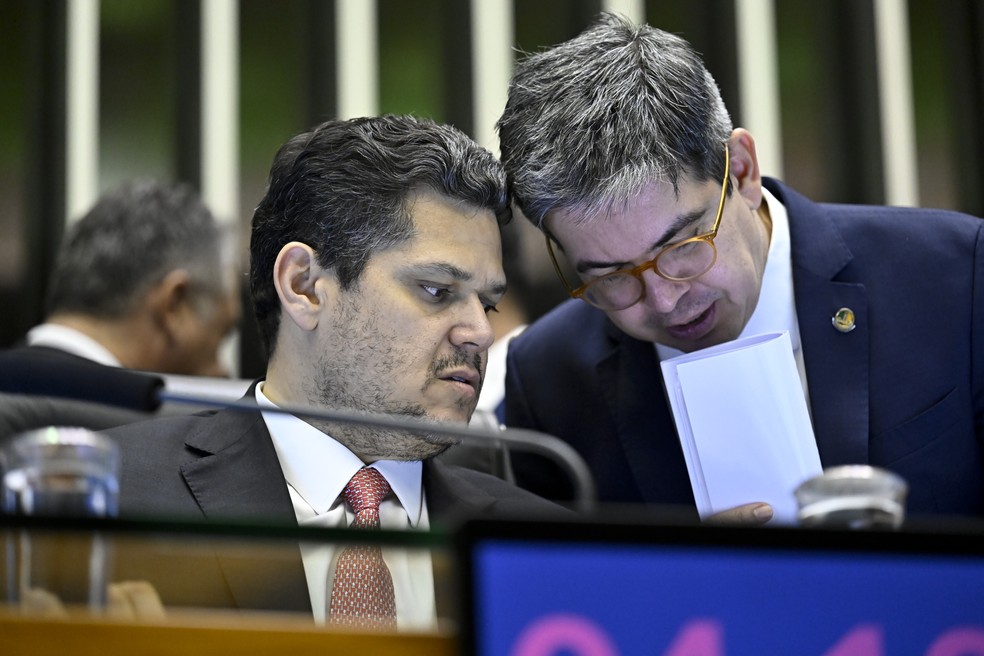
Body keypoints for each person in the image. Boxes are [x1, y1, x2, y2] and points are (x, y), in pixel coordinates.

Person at [495, 12, 984, 522]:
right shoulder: (549, 375)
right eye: (611, 276)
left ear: (743, 172)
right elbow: (562, 595)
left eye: (683, 246)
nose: (665, 301)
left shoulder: (954, 277)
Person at [104, 115, 562, 627]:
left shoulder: (546, 547)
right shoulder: (107, 494)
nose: (479, 332)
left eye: (489, 305)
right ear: (304, 286)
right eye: (437, 290)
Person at [0, 180, 242, 412]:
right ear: (174, 305)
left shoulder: (15, 397)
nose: (222, 371)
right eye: (222, 334)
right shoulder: (130, 443)